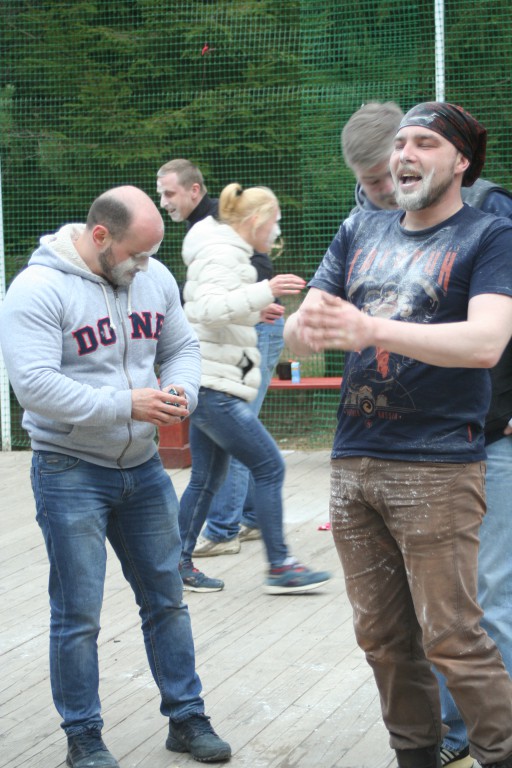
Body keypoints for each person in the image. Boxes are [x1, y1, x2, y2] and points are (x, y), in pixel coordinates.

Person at [284, 102, 512, 768]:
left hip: (440, 464)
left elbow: (487, 342)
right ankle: (416, 755)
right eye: (400, 143)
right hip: (354, 461)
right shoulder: (359, 228)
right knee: (382, 640)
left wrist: (370, 329)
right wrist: (303, 326)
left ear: (462, 161)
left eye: (424, 143)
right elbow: (299, 336)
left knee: (456, 639)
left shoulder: (490, 232)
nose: (405, 154)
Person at [0, 186, 231, 767]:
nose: (145, 266)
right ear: (100, 236)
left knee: (168, 599)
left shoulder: (153, 278)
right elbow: (34, 386)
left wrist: (181, 391)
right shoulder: (37, 288)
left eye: (153, 253)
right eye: (136, 253)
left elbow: (182, 347)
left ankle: (187, 717)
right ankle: (83, 734)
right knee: (78, 614)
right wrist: (126, 404)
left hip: (143, 468)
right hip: (69, 468)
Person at [177, 181, 331, 594]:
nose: (276, 232)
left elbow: (217, 311)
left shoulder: (228, 251)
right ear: (256, 220)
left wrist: (254, 311)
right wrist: (265, 289)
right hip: (215, 388)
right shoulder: (222, 252)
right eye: (274, 222)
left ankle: (173, 565)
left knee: (205, 479)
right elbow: (206, 309)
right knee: (270, 466)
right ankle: (280, 566)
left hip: (212, 383)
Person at [156, 158, 282, 555]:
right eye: (161, 194)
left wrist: (260, 299)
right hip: (225, 344)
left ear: (195, 190)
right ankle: (245, 524)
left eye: (169, 193)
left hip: (251, 332)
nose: (164, 202)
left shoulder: (218, 224)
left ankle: (225, 530)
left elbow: (256, 268)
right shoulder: (205, 231)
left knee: (238, 441)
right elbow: (208, 302)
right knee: (238, 447)